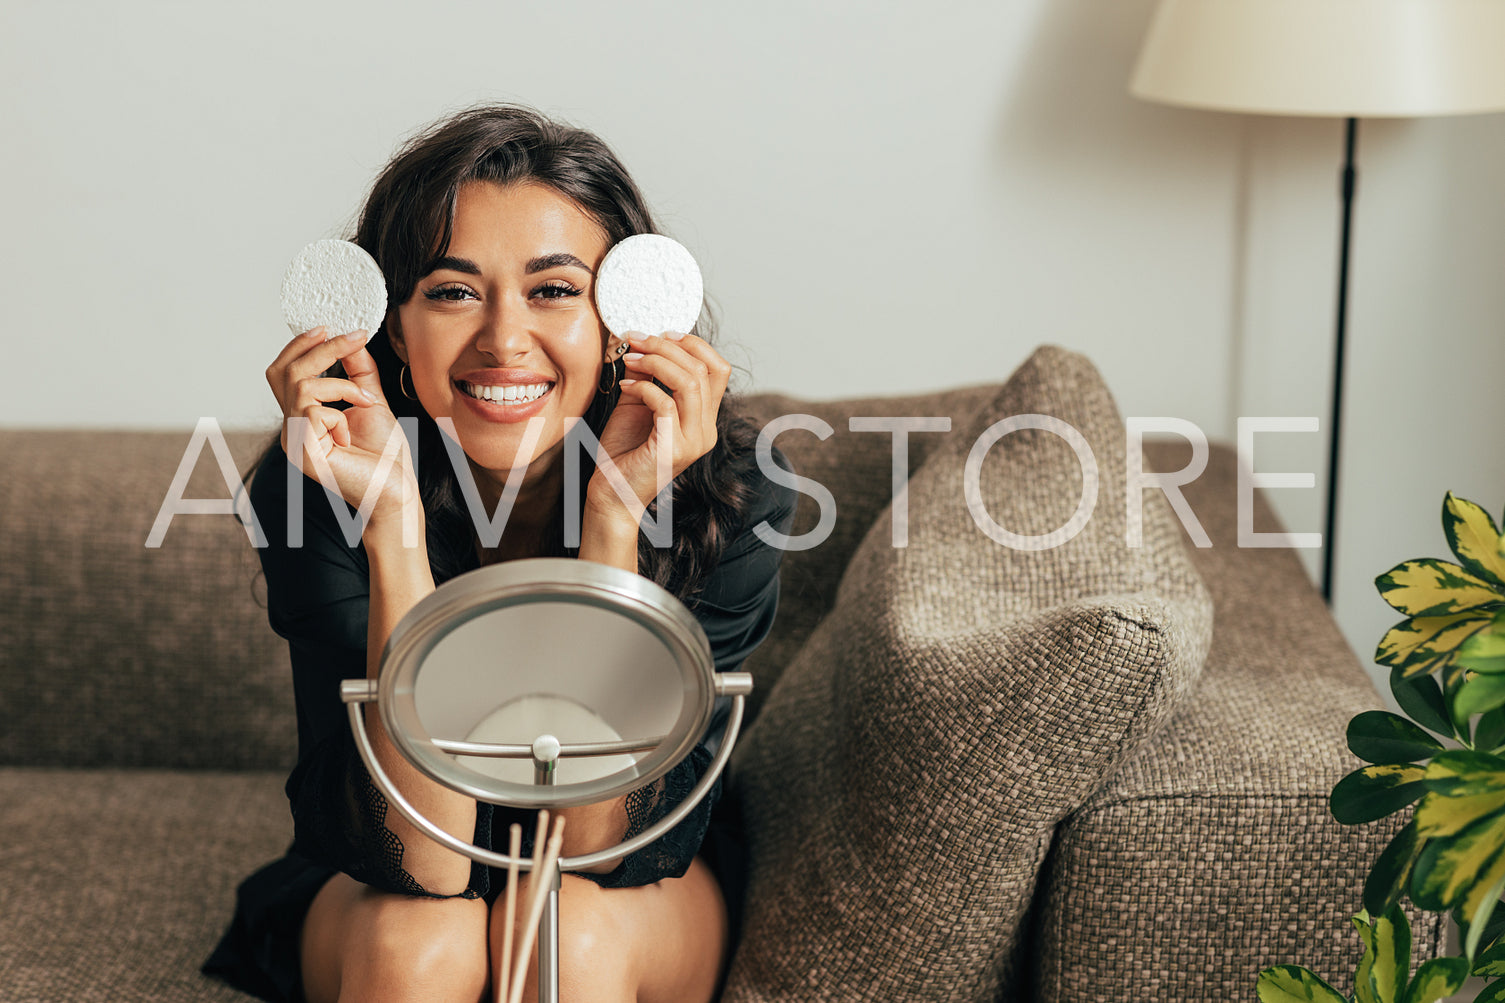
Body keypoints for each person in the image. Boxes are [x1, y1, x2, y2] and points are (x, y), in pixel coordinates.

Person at [204, 104, 796, 1003]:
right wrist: (393, 526)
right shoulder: (313, 480)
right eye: (451, 291)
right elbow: (424, 858)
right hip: (395, 864)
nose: (503, 339)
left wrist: (613, 517)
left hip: (628, 885)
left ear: (621, 320)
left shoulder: (733, 490)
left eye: (553, 290)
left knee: (563, 929)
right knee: (419, 943)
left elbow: (601, 844)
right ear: (393, 330)